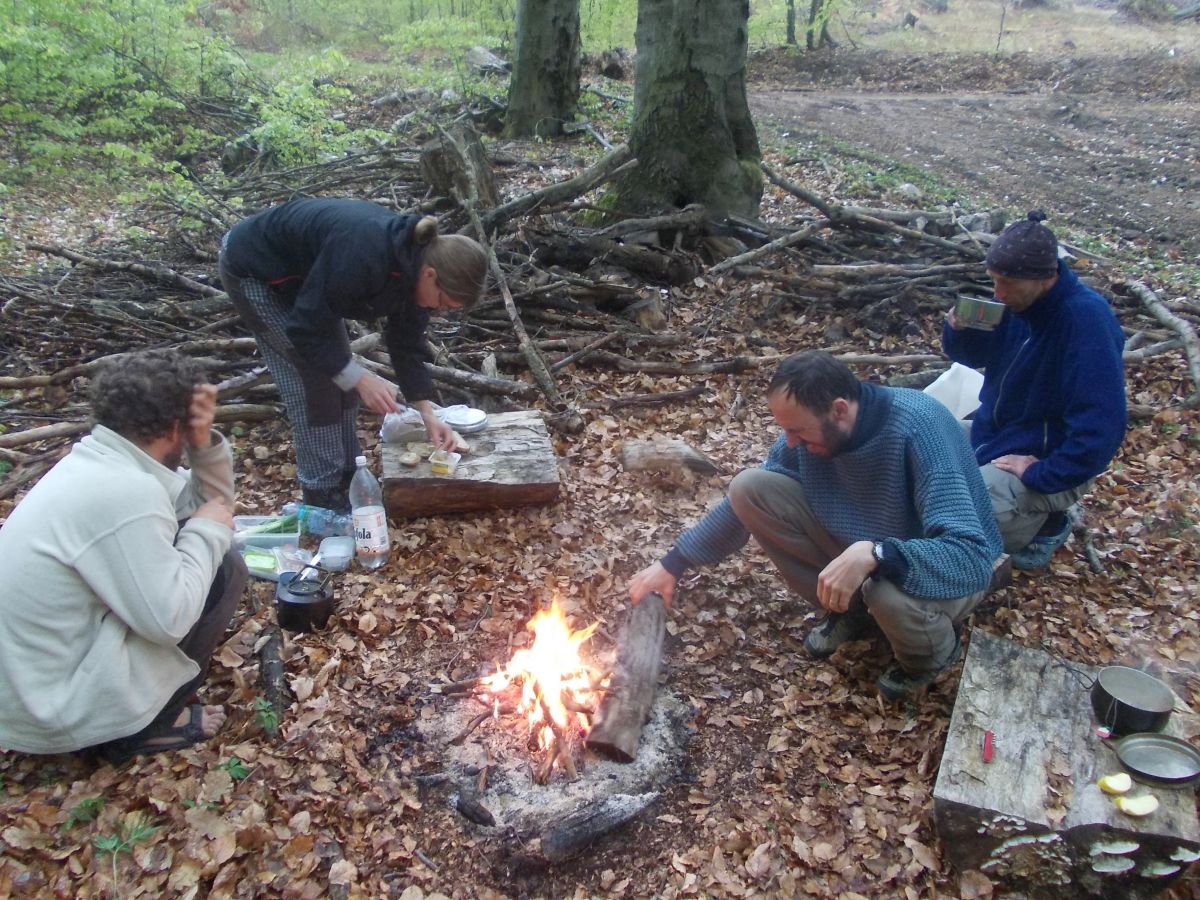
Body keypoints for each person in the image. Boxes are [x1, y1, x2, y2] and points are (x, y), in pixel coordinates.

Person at [629, 351, 1003, 700]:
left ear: (839, 410)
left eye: (798, 431)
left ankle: (933, 655)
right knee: (750, 485)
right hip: (868, 549)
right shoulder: (809, 436)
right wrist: (673, 564)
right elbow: (748, 501)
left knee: (885, 591)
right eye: (785, 430)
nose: (790, 442)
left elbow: (970, 556)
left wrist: (879, 553)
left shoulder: (919, 428)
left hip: (940, 569)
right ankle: (851, 609)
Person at [0, 351, 247, 763]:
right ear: (173, 428)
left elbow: (202, 503)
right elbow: (170, 619)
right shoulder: (124, 491)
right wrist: (207, 530)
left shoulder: (103, 462)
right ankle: (145, 726)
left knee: (206, 543)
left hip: (35, 684)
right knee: (224, 567)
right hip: (52, 706)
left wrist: (205, 451)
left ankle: (140, 704)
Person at [219, 198, 488, 512]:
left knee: (340, 376)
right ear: (430, 275)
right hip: (253, 270)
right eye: (444, 302)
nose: (440, 310)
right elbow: (305, 330)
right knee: (315, 380)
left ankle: (347, 475)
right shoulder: (364, 254)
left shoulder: (414, 269)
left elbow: (406, 347)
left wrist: (429, 415)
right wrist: (360, 377)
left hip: (307, 285)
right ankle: (321, 491)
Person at [943, 211, 1126, 570]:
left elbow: (1102, 427)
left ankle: (1047, 522)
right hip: (995, 434)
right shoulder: (1017, 306)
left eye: (1007, 283)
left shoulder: (1086, 322)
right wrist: (961, 331)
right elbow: (974, 356)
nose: (998, 293)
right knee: (922, 445)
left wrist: (1043, 474)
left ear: (1045, 277)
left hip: (1045, 456)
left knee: (964, 512)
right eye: (994, 281)